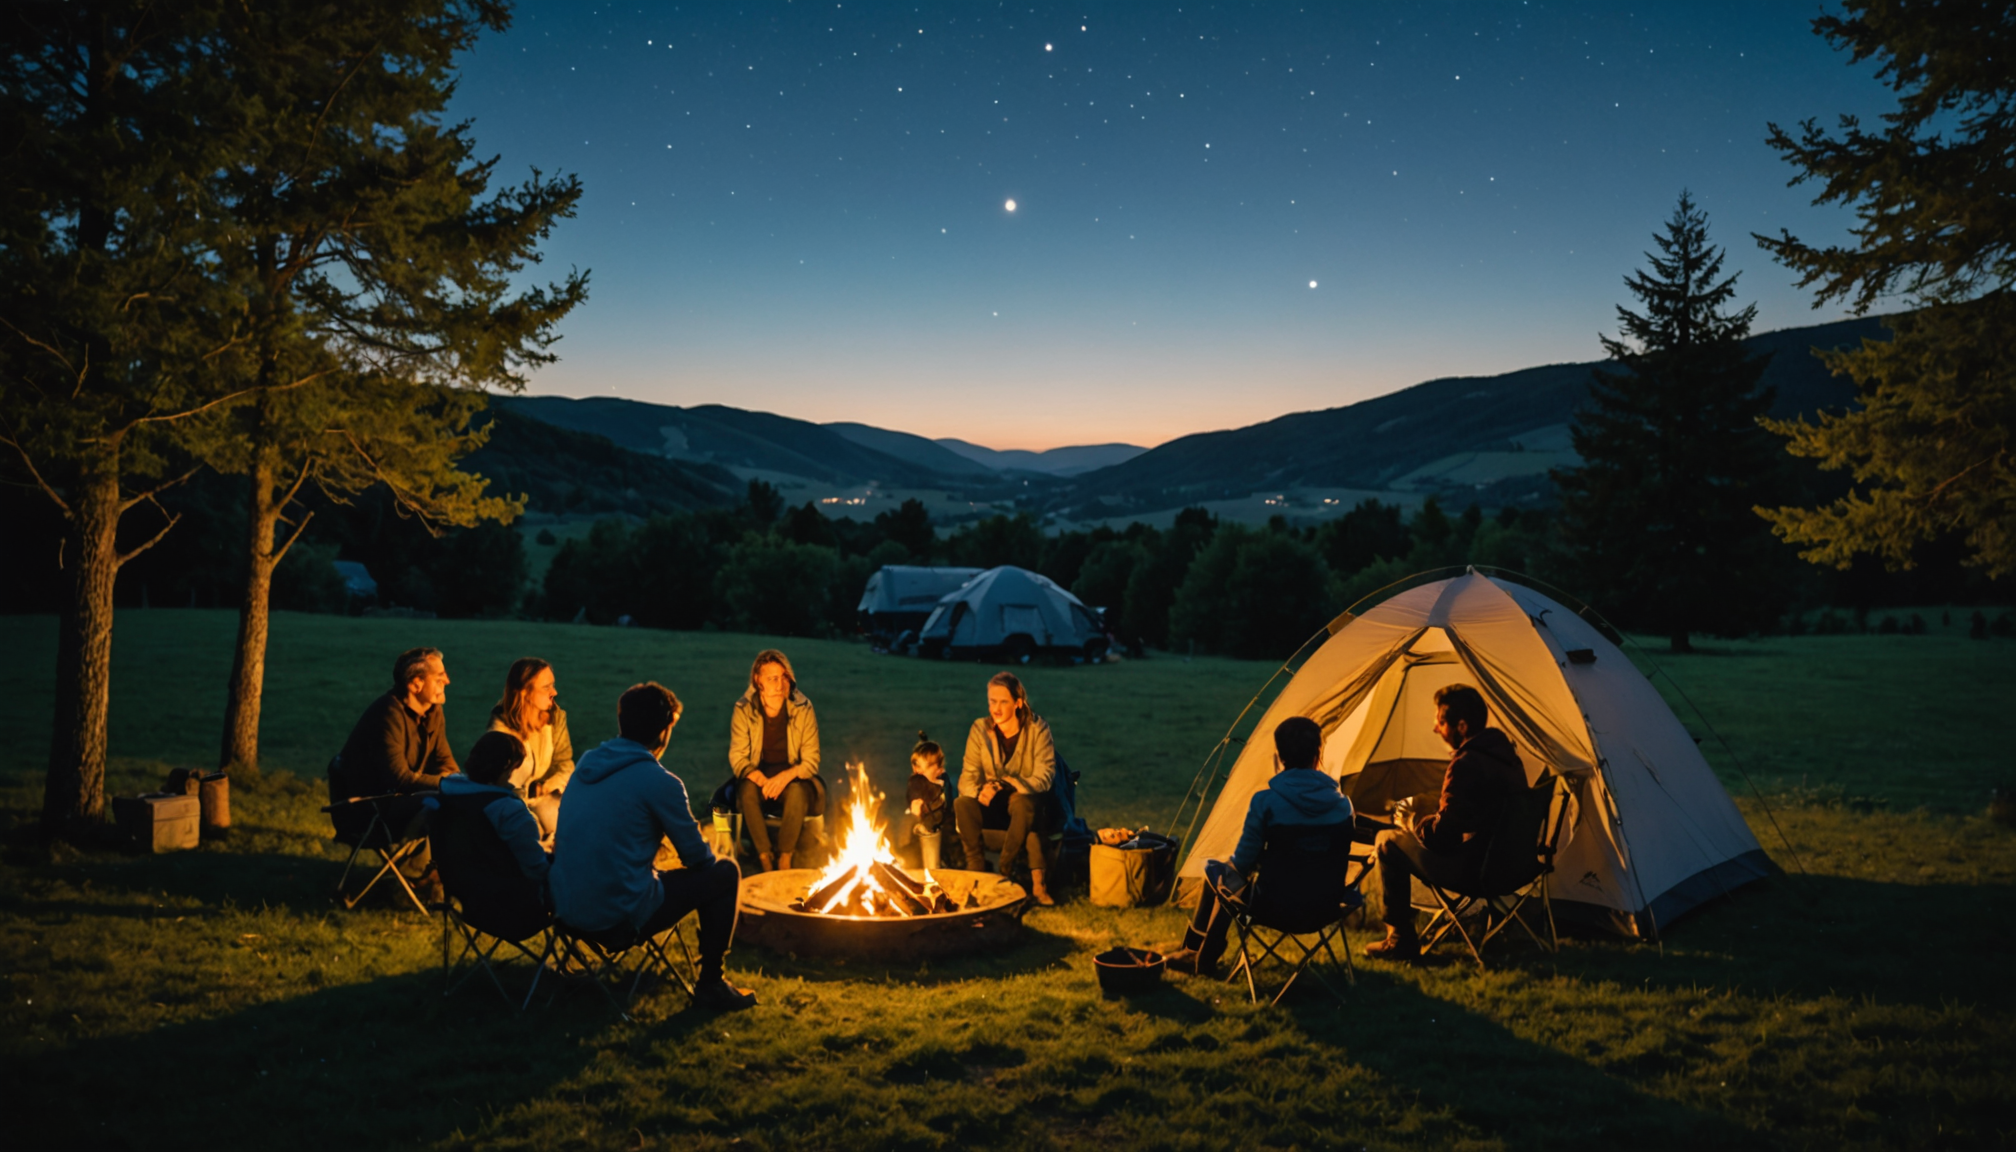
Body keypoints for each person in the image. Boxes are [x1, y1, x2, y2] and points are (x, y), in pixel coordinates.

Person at [550, 682, 755, 1011]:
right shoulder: (660, 782)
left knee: (660, 872)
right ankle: (711, 984)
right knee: (725, 872)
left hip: (566, 908)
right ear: (665, 730)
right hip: (616, 917)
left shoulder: (588, 765)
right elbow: (699, 858)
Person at [1164, 717, 1353, 977]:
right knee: (1225, 880)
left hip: (1273, 908)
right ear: (1318, 754)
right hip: (1325, 908)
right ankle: (1198, 955)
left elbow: (1241, 864)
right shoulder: (1344, 806)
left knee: (1216, 874)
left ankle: (1198, 955)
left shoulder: (1266, 802)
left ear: (1279, 757)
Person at [1363, 683, 1527, 962]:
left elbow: (1443, 839)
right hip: (1515, 866)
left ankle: (1399, 939)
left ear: (1461, 726)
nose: (1436, 729)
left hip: (1477, 871)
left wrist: (1414, 822)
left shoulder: (1466, 763)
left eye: (1440, 722)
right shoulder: (1506, 755)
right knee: (1414, 819)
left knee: (1387, 842)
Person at [331, 647, 460, 895]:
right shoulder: (388, 713)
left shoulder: (432, 711)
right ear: (415, 685)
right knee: (443, 803)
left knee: (459, 799)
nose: (448, 680)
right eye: (439, 676)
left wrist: (457, 782)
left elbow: (444, 760)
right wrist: (449, 785)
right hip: (370, 808)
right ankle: (420, 876)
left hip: (401, 801)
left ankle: (436, 874)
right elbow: (400, 778)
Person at [954, 671, 1059, 905]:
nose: (996, 708)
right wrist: (979, 792)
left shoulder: (1037, 729)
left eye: (1003, 702)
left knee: (1023, 805)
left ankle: (1006, 867)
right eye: (992, 701)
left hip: (1027, 803)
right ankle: (977, 871)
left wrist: (1007, 783)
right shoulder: (980, 729)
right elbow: (967, 777)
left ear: (1018, 702)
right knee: (962, 803)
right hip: (993, 805)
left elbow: (1044, 775)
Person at [432, 731, 551, 938]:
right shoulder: (508, 810)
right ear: (507, 766)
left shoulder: (448, 795)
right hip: (514, 910)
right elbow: (535, 868)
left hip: (464, 902)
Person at [727, 649, 824, 872]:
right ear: (758, 681)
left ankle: (785, 856)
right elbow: (738, 756)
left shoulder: (803, 708)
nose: (779, 685)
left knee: (798, 793)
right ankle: (764, 856)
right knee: (747, 793)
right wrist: (762, 780)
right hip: (758, 774)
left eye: (783, 677)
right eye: (772, 679)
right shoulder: (744, 709)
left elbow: (811, 760)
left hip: (793, 775)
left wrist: (785, 777)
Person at [488, 657, 575, 844]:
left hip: (545, 797)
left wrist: (547, 785)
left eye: (553, 685)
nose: (554, 692)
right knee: (529, 831)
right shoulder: (500, 729)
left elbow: (565, 763)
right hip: (509, 804)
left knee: (575, 825)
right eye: (546, 687)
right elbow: (499, 784)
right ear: (525, 692)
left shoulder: (555, 718)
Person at [900, 734, 951, 869]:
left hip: (938, 828)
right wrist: (917, 805)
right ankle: (907, 862)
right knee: (909, 823)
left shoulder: (943, 783)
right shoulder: (917, 781)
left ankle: (933, 872)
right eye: (916, 767)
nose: (918, 771)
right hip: (920, 823)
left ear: (939, 768)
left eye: (926, 767)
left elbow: (946, 804)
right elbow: (914, 795)